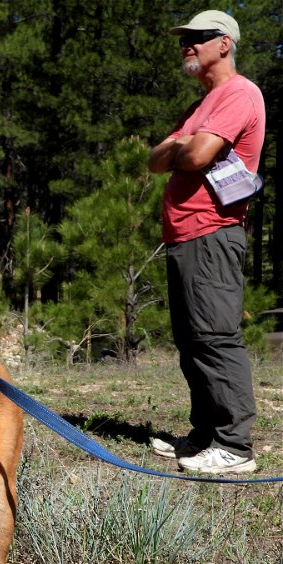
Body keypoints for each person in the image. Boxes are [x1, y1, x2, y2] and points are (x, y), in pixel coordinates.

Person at [148, 11, 265, 474]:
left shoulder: (240, 92)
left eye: (198, 38)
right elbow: (156, 160)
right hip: (185, 235)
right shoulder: (204, 105)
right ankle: (205, 435)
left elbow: (194, 154)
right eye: (185, 40)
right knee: (192, 340)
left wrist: (186, 146)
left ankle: (235, 447)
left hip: (213, 232)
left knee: (215, 337)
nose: (187, 46)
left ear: (224, 44)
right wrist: (184, 146)